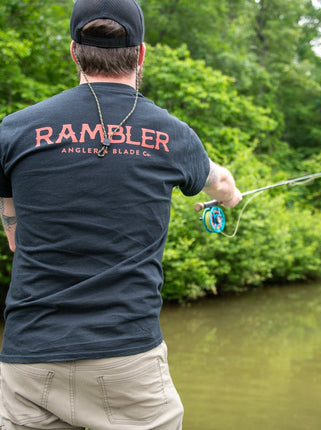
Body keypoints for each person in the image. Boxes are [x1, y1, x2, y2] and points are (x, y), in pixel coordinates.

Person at [0, 0, 241, 429]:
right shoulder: (172, 134)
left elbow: (13, 228)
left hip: (28, 358)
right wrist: (230, 197)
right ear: (142, 53)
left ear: (74, 51)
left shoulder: (14, 130)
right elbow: (218, 182)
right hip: (127, 361)